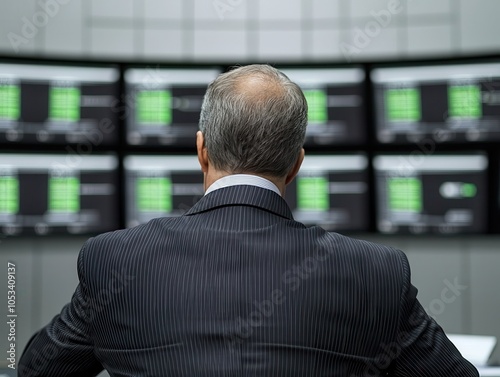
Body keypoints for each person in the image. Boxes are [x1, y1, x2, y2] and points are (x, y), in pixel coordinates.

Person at [19, 64, 478, 377]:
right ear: (296, 164)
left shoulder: (113, 261)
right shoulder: (377, 272)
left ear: (201, 150)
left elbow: (36, 370)